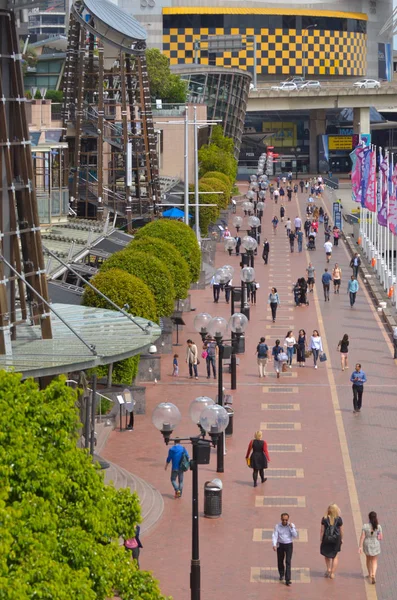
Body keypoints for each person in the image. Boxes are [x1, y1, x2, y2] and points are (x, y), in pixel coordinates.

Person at [272, 513, 298, 587]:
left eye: (286, 520)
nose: (284, 521)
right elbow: (275, 535)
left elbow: (295, 535)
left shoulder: (291, 526)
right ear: (281, 519)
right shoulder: (277, 526)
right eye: (283, 520)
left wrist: (292, 528)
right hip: (280, 544)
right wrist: (274, 544)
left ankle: (288, 579)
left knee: (288, 561)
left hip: (289, 544)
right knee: (280, 560)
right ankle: (281, 573)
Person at [320, 504, 343, 579]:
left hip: (326, 539)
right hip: (336, 539)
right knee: (335, 556)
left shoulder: (324, 519)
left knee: (326, 555)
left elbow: (322, 531)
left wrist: (321, 539)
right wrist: (341, 539)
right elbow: (341, 531)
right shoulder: (339, 519)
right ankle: (332, 573)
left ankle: (328, 569)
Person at [359, 511, 382, 584]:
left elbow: (362, 536)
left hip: (367, 543)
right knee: (374, 560)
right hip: (375, 543)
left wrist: (360, 546)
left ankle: (369, 574)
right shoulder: (378, 526)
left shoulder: (365, 526)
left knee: (368, 559)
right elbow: (381, 537)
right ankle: (373, 575)